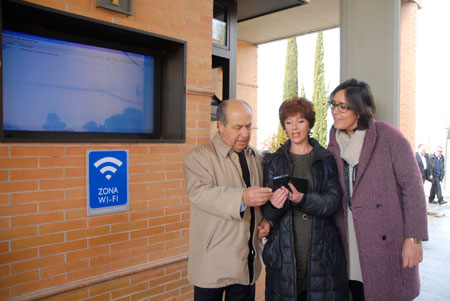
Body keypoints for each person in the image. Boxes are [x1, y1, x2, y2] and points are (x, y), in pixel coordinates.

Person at [327, 78, 428, 301]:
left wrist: (414, 238)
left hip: (385, 241)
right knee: (356, 291)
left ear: (361, 109)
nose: (335, 111)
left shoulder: (389, 136)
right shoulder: (333, 142)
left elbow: (413, 188)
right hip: (348, 238)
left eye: (343, 106)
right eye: (333, 104)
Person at [184, 99, 273, 301]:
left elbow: (266, 203)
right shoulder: (199, 157)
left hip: (246, 264)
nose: (245, 133)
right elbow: (200, 193)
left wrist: (267, 222)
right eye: (238, 127)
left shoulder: (257, 158)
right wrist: (241, 197)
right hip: (212, 264)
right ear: (220, 126)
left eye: (248, 126)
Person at [261, 97, 348, 301]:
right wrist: (274, 204)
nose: (294, 128)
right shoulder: (273, 162)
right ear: (284, 126)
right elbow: (267, 213)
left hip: (321, 249)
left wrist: (303, 199)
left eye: (300, 121)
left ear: (309, 123)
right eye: (289, 122)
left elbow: (333, 201)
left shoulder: (325, 159)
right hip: (284, 251)